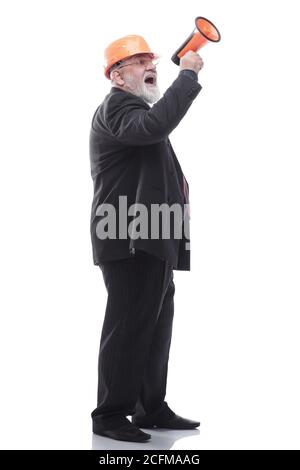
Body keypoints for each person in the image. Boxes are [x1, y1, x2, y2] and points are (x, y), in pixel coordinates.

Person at [89, 34, 203, 443]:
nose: (148, 65)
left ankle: (150, 407)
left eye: (149, 59)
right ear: (118, 77)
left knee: (155, 324)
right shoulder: (119, 107)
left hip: (151, 234)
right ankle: (110, 414)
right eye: (137, 62)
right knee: (129, 325)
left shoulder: (133, 110)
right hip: (128, 234)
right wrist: (186, 76)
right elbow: (156, 125)